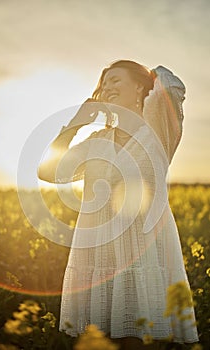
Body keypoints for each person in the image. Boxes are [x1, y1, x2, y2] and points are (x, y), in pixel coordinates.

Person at [38, 60, 199, 349]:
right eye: (103, 83)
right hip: (99, 254)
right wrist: (77, 122)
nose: (106, 88)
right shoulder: (97, 140)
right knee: (101, 341)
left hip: (143, 251)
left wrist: (146, 79)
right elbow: (48, 171)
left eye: (115, 80)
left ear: (140, 86)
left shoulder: (158, 133)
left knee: (138, 339)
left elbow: (171, 84)